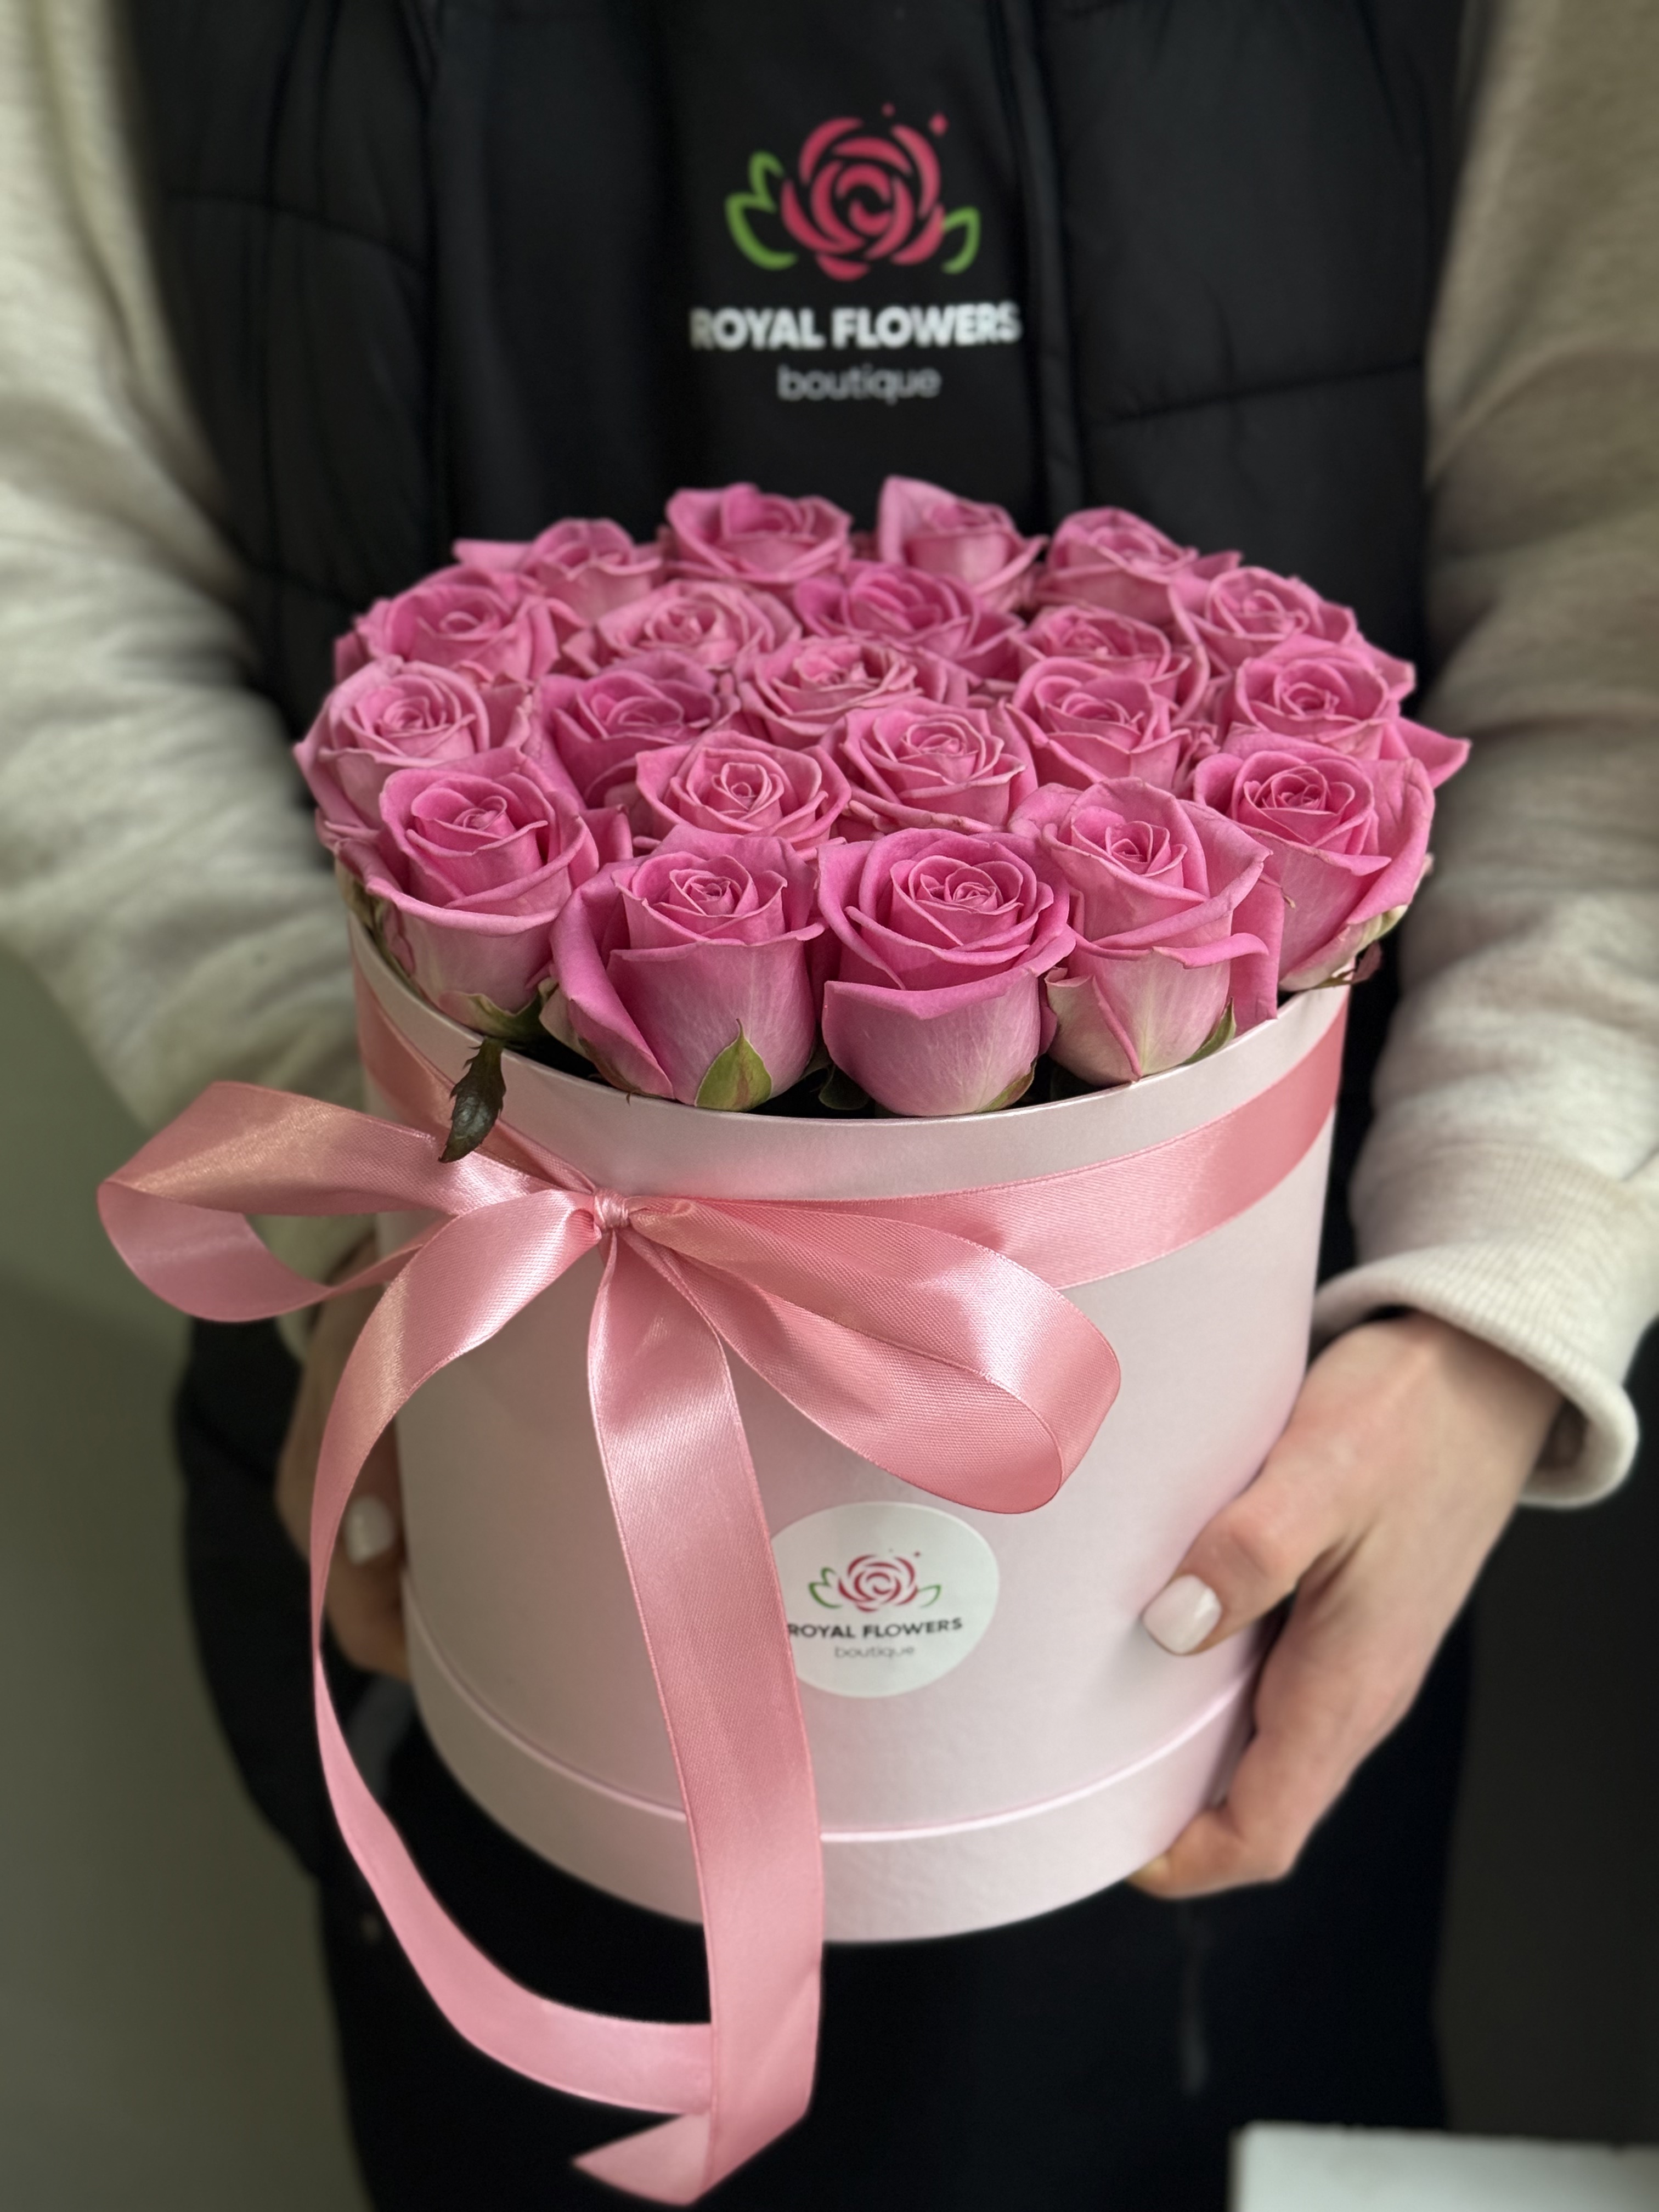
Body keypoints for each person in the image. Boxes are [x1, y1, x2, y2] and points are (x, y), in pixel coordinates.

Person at [2, 0, 1656, 2204]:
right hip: (450, 1425)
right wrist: (386, 1161)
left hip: (1221, 1507)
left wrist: (1497, 1298)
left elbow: (1622, 609)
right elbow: (44, 552)